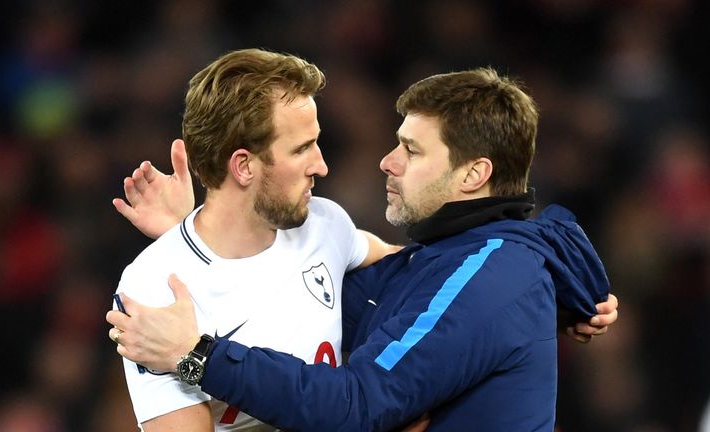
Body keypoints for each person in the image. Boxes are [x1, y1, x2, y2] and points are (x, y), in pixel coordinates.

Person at [108, 65, 618, 431]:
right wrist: (191, 239)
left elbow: (359, 405)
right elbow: (291, 293)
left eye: (412, 150)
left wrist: (196, 356)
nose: (387, 162)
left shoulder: (486, 277)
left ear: (473, 174)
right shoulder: (447, 262)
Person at [111, 48, 403, 431]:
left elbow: (413, 268)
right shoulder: (154, 287)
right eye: (301, 149)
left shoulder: (326, 224)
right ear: (244, 166)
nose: (321, 165)